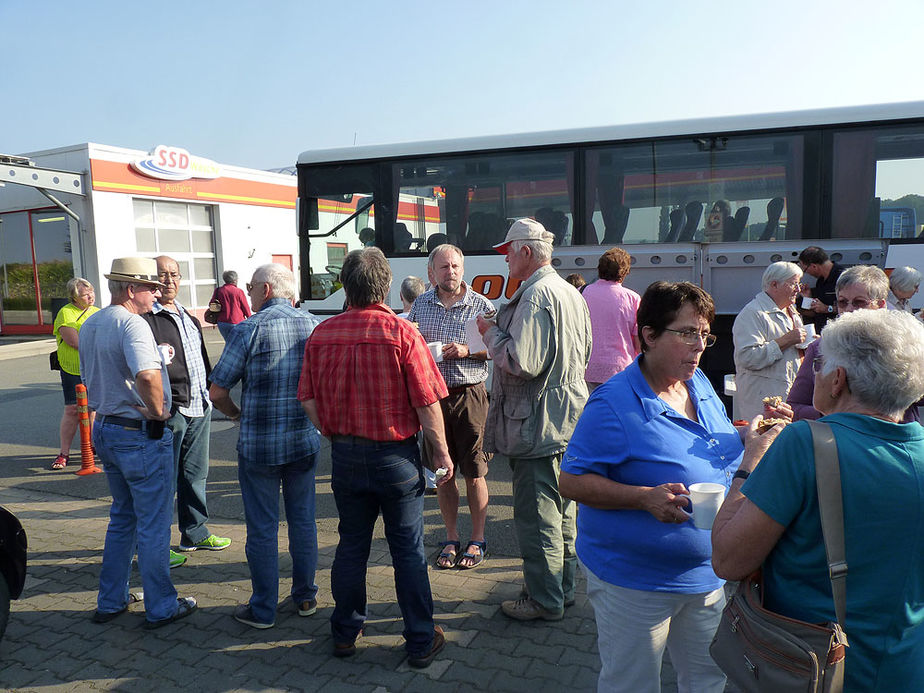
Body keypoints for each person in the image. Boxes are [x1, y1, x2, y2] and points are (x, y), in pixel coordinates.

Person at [712, 308, 924, 691]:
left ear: (838, 380)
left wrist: (750, 461)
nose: (816, 373)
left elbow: (728, 558)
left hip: (808, 668)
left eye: (821, 364)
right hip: (904, 667)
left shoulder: (806, 443)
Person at [559, 281, 751, 692]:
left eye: (704, 333)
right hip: (635, 581)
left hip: (706, 574)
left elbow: (713, 441)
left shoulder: (696, 383)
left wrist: (750, 435)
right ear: (648, 335)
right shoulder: (612, 403)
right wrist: (642, 498)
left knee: (708, 679)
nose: (700, 345)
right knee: (633, 684)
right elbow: (570, 480)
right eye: (686, 333)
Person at [297, 247, 453, 668]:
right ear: (384, 285)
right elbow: (427, 403)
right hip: (395, 459)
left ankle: (345, 632)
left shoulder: (322, 333)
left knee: (351, 546)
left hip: (346, 455)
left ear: (345, 286)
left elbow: (307, 398)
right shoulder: (403, 334)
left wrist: (330, 428)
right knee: (407, 550)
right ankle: (420, 639)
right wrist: (440, 452)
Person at [475, 218, 592, 622]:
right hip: (566, 418)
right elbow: (585, 349)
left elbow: (523, 362)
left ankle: (544, 599)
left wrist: (490, 334)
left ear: (526, 251)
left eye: (507, 250)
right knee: (561, 513)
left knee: (538, 515)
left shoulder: (537, 295)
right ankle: (559, 588)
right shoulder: (568, 291)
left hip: (537, 422)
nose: (505, 258)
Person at [79, 257, 196, 628]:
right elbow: (148, 375)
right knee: (153, 524)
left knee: (122, 518)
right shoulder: (133, 323)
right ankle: (161, 605)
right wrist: (160, 411)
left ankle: (111, 599)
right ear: (132, 290)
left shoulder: (93, 322)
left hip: (106, 428)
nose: (157, 293)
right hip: (136, 433)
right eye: (151, 287)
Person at [208, 264, 320, 629]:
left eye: (252, 287)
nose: (249, 292)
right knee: (303, 521)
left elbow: (217, 392)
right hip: (304, 441)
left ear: (267, 291)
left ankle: (263, 609)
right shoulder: (313, 325)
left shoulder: (248, 329)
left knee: (262, 528)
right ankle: (305, 597)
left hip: (259, 446)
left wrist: (237, 415)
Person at [142, 256, 231, 571]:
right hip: (172, 410)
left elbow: (200, 360)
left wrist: (209, 392)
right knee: (164, 480)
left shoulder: (188, 316)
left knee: (195, 475)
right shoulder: (146, 319)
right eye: (162, 275)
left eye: (174, 274)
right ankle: (157, 547)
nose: (169, 280)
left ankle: (194, 533)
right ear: (151, 281)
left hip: (199, 405)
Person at [409, 244, 495, 570]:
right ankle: (450, 536)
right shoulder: (420, 304)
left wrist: (467, 350)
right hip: (433, 398)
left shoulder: (481, 305)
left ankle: (478, 537)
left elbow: (494, 350)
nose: (451, 272)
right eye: (444, 267)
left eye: (456, 266)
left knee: (475, 472)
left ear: (463, 267)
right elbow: (410, 349)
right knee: (444, 473)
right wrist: (412, 336)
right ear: (432, 272)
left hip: (470, 395)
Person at [785, 265, 919, 421]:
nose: (849, 309)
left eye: (859, 302)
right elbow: (795, 406)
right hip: (838, 441)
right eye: (842, 302)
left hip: (893, 438)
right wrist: (838, 413)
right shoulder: (820, 348)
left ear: (881, 305)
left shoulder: (904, 342)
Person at [732, 261, 806, 420]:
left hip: (787, 400)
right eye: (794, 284)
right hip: (763, 406)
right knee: (767, 442)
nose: (799, 290)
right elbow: (747, 357)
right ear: (774, 285)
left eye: (799, 284)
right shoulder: (752, 314)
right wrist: (786, 340)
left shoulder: (791, 310)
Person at [51, 278, 100, 470]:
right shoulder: (66, 313)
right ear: (74, 297)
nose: (90, 296)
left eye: (91, 292)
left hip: (94, 368)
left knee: (93, 409)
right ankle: (64, 453)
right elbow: (75, 342)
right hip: (73, 368)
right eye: (85, 294)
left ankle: (92, 446)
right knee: (72, 410)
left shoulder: (98, 313)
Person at [581, 247, 640, 392]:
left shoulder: (581, 292)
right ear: (625, 272)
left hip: (585, 368)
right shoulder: (633, 298)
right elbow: (638, 344)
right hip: (621, 370)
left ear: (599, 268)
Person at [798, 246, 845, 328]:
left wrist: (828, 308)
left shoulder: (844, 279)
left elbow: (856, 308)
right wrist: (807, 298)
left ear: (813, 266)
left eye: (805, 270)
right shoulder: (820, 281)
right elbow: (814, 312)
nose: (807, 274)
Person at [208, 270, 252, 340]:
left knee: (228, 342)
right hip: (237, 321)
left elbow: (211, 304)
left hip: (222, 322)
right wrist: (250, 319)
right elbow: (245, 307)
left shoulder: (218, 290)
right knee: (238, 343)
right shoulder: (239, 291)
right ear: (234, 280)